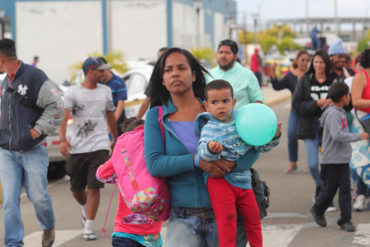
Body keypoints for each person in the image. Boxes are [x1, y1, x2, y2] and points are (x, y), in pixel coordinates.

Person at [144, 47, 260, 247]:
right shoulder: (156, 115)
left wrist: (233, 165)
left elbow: (252, 148)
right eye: (168, 70)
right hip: (182, 218)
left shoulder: (219, 108)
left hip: (225, 214)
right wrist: (198, 161)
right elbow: (155, 163)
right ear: (162, 80)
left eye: (181, 68)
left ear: (194, 75)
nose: (175, 73)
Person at [195, 80, 281, 247]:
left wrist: (274, 135)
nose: (220, 106)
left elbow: (261, 145)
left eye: (225, 101)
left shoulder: (244, 121)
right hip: (220, 182)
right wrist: (211, 150)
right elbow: (202, 152)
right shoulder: (209, 127)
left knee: (254, 218)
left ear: (233, 102)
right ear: (207, 106)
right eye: (214, 102)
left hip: (243, 179)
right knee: (227, 221)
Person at [0, 39, 64, 247]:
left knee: (38, 197)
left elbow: (58, 106)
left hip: (33, 150)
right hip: (7, 151)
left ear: (1, 59)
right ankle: (13, 243)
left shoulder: (35, 77)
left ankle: (48, 225)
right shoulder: (4, 83)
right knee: (9, 201)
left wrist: (37, 130)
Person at [59, 57, 118, 240]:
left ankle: (89, 227)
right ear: (90, 71)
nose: (104, 73)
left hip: (99, 145)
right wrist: (62, 139)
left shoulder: (106, 91)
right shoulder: (72, 93)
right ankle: (84, 210)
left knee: (94, 186)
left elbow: (110, 118)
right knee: (77, 189)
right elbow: (63, 117)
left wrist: (116, 140)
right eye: (101, 71)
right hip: (77, 147)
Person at [96, 117, 164, 247]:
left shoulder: (155, 160)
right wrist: (119, 156)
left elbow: (101, 175)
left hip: (150, 236)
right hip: (127, 234)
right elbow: (101, 175)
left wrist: (119, 156)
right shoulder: (154, 158)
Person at [310, 82, 368, 232]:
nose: (349, 97)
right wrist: (358, 136)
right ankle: (317, 209)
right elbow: (337, 135)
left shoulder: (339, 112)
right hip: (331, 160)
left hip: (342, 159)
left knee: (345, 191)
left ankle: (345, 220)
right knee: (329, 190)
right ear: (343, 97)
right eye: (348, 94)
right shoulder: (333, 113)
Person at [292, 50, 337, 203]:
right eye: (316, 62)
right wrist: (316, 104)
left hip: (330, 127)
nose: (318, 65)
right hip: (310, 126)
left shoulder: (334, 80)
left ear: (327, 64)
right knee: (312, 164)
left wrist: (333, 102)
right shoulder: (305, 80)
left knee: (328, 163)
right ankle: (321, 186)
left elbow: (344, 101)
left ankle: (326, 195)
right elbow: (296, 105)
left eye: (322, 62)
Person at [269, 50, 310, 173]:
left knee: (310, 137)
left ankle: (311, 163)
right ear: (297, 61)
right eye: (302, 60)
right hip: (296, 110)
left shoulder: (312, 74)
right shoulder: (290, 75)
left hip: (310, 110)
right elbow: (277, 86)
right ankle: (293, 163)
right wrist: (272, 72)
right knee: (292, 135)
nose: (305, 62)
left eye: (307, 60)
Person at [207, 39, 264, 111]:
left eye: (227, 53)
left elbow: (258, 99)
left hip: (242, 120)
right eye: (220, 52)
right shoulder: (209, 75)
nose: (223, 56)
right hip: (214, 121)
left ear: (235, 56)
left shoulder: (247, 74)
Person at [350, 48, 370, 211]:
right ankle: (361, 194)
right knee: (364, 161)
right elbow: (356, 101)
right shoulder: (361, 77)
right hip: (364, 123)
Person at [136, 47, 169, 119]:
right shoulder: (156, 77)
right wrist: (136, 121)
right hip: (160, 118)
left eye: (164, 57)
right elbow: (147, 101)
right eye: (159, 58)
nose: (161, 61)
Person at [97, 57, 127, 135]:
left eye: (101, 71)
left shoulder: (119, 82)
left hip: (117, 124)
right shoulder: (98, 83)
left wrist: (112, 124)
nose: (100, 75)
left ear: (106, 69)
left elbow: (120, 104)